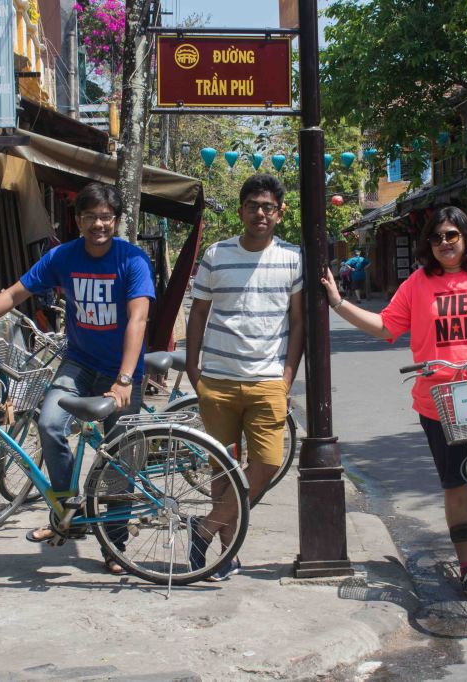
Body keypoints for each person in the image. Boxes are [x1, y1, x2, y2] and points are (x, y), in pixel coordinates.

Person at [321, 206, 467, 600]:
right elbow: (386, 327)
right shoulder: (418, 283)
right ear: (427, 245)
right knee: (457, 486)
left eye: (451, 235)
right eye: (436, 238)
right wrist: (338, 304)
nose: (444, 244)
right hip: (442, 399)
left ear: (466, 235)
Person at [0, 183, 154, 575]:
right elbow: (15, 293)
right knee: (49, 423)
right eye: (90, 217)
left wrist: (124, 379)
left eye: (106, 217)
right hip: (79, 363)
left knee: (119, 462)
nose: (98, 224)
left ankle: (115, 545)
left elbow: (138, 319)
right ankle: (66, 509)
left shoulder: (133, 261)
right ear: (78, 220)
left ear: (117, 220)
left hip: (122, 372)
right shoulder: (63, 257)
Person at [186, 173, 304, 582]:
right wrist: (192, 368)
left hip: (268, 380)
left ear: (279, 212)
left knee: (268, 462)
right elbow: (198, 311)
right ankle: (225, 557)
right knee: (222, 469)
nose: (260, 213)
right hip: (217, 378)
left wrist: (287, 376)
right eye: (253, 206)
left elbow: (299, 322)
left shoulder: (293, 258)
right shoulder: (216, 255)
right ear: (241, 210)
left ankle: (203, 528)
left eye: (268, 207)